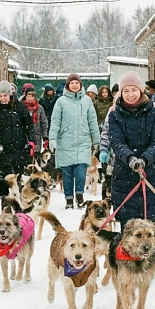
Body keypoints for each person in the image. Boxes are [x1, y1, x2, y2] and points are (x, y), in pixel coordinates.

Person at [108, 71, 155, 230]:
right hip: (124, 176)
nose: (130, 94)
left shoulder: (154, 113)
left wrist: (145, 159)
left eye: (133, 90)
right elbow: (117, 141)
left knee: (148, 233)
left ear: (140, 90)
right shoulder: (114, 115)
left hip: (150, 174)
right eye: (125, 91)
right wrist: (130, 158)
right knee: (127, 234)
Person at [48, 73, 100, 209]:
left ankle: (79, 196)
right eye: (72, 83)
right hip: (65, 141)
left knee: (81, 170)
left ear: (80, 85)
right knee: (67, 172)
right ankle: (69, 199)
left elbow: (92, 121)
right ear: (68, 85)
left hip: (83, 141)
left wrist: (96, 140)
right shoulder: (61, 102)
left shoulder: (87, 101)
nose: (75, 85)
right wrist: (52, 138)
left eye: (77, 83)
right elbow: (55, 122)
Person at [0, 81, 35, 179]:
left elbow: (29, 125)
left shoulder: (19, 107)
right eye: (0, 96)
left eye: (5, 95)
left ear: (10, 94)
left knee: (19, 176)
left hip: (19, 147)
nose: (3, 98)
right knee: (4, 177)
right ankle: (3, 194)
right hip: (2, 148)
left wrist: (31, 141)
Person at [20, 85, 49, 157]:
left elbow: (44, 123)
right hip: (23, 139)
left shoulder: (39, 108)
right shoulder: (21, 107)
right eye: (29, 95)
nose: (31, 98)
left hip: (37, 140)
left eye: (32, 96)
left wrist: (45, 137)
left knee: (36, 161)